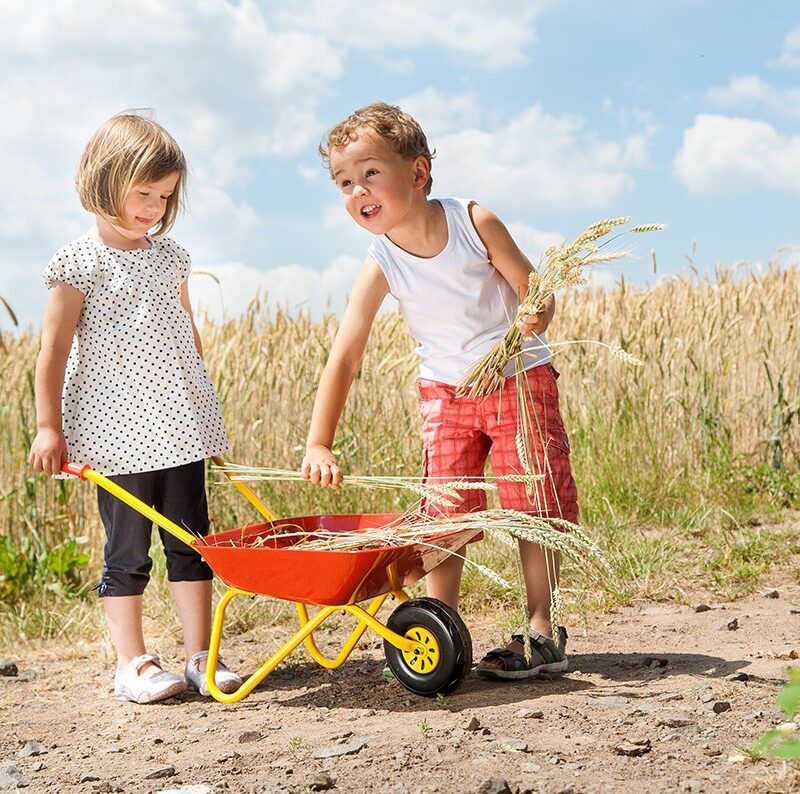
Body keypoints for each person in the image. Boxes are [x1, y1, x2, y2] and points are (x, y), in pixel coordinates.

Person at [301, 102, 579, 679]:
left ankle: (541, 630)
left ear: (419, 172)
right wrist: (319, 441)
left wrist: (534, 313)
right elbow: (347, 352)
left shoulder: (475, 224)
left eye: (370, 173)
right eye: (344, 183)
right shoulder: (381, 261)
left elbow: (538, 295)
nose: (358, 191)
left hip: (516, 380)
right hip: (446, 394)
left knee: (532, 503)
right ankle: (440, 626)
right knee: (443, 515)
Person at [29, 112, 242, 702]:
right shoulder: (79, 262)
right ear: (105, 179)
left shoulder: (171, 256)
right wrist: (49, 428)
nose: (154, 207)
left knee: (192, 539)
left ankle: (202, 654)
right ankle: (133, 663)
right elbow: (53, 349)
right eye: (143, 194)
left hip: (179, 424)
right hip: (115, 429)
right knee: (127, 548)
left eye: (165, 196)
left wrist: (202, 403)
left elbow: (185, 331)